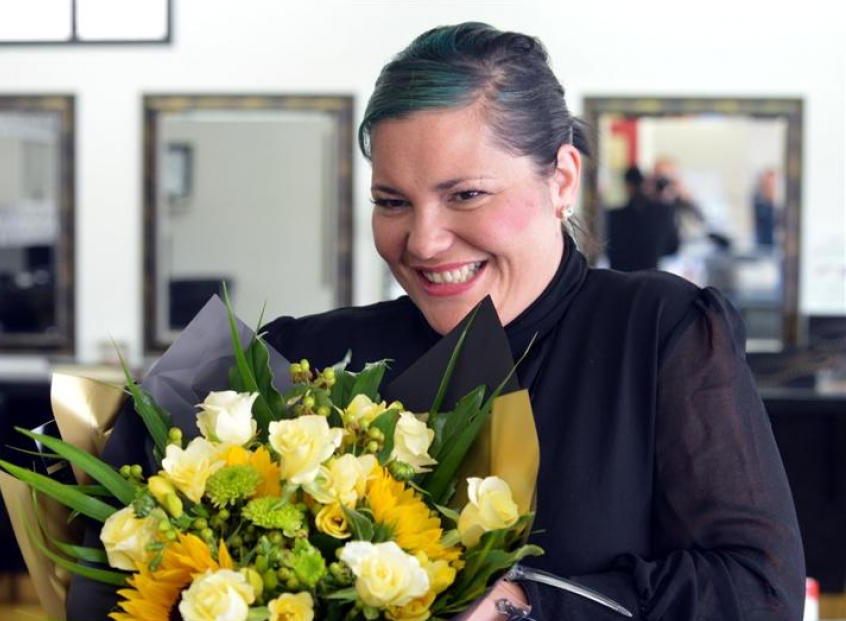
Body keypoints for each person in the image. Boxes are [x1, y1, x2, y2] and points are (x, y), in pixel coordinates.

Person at [262, 23, 805, 620]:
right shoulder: (309, 358)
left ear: (562, 179)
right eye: (392, 202)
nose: (423, 241)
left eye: (466, 195)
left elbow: (759, 592)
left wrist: (517, 607)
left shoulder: (656, 332)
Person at [606, 165, 680, 271]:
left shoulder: (614, 215)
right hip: (648, 279)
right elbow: (672, 247)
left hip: (618, 277)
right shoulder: (661, 215)